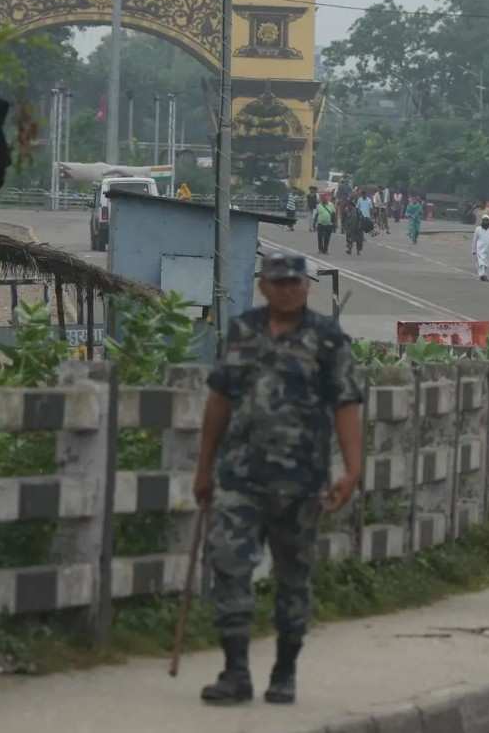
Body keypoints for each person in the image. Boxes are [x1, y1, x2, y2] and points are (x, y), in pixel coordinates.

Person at [192, 252, 364, 706]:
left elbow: (346, 404)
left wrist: (352, 470)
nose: (288, 289)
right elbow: (219, 400)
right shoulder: (243, 331)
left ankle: (285, 670)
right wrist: (204, 468)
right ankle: (235, 671)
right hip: (240, 476)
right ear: (264, 286)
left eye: (295, 282)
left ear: (306, 286)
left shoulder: (328, 340)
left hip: (301, 482)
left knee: (293, 577)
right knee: (229, 565)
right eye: (279, 282)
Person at [472, 211, 489, 281]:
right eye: (484, 220)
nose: (486, 222)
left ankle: (483, 274)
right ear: (482, 221)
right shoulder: (478, 229)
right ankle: (482, 275)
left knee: (486, 262)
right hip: (480, 248)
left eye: (487, 220)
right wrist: (473, 250)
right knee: (481, 262)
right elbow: (474, 240)